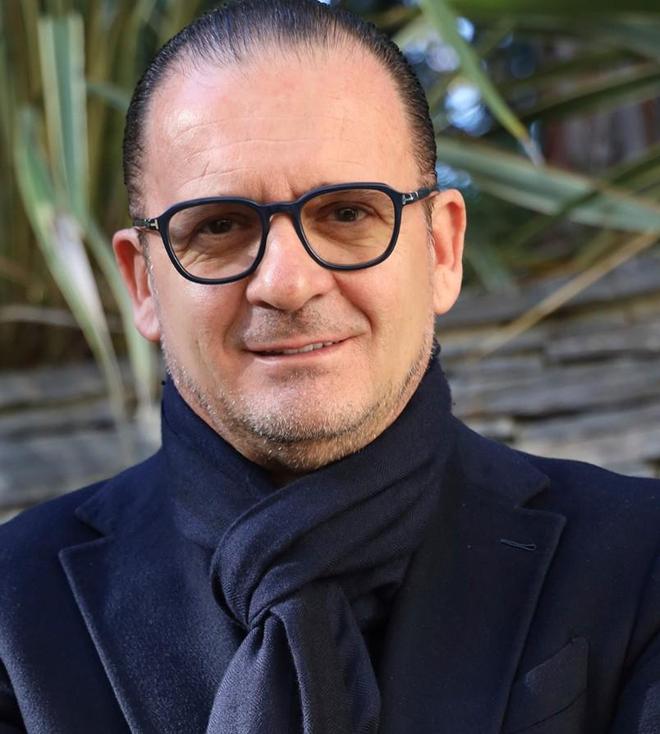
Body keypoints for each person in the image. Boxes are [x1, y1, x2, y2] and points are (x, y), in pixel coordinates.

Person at [1, 1, 658, 731]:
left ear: (441, 250)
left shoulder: (641, 565)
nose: (287, 283)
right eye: (219, 226)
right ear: (143, 284)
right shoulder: (13, 614)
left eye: (347, 213)